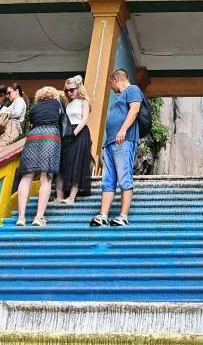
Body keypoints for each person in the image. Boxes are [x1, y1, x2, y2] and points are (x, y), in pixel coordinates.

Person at [90, 68, 143, 227]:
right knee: (108, 180)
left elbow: (135, 109)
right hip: (111, 143)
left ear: (115, 79)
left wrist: (123, 130)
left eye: (110, 83)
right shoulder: (120, 96)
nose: (111, 88)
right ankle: (103, 215)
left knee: (124, 176)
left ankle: (123, 216)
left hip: (124, 140)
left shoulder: (132, 89)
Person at [16, 86, 65, 227]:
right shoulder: (57, 104)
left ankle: (21, 217)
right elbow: (63, 120)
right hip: (51, 136)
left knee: (26, 176)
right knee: (46, 177)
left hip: (33, 137)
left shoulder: (35, 108)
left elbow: (31, 123)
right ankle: (38, 217)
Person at [56, 75, 91, 205]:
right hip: (66, 133)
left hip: (80, 132)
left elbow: (85, 118)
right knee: (63, 163)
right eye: (66, 90)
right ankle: (59, 196)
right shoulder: (66, 103)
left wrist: (74, 133)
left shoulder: (84, 101)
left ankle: (71, 196)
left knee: (77, 162)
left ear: (78, 88)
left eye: (72, 89)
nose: (69, 92)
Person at [0, 83, 26, 155]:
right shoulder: (15, 102)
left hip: (12, 127)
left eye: (9, 93)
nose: (8, 96)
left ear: (17, 91)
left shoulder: (20, 100)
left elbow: (17, 113)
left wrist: (0, 114)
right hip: (8, 128)